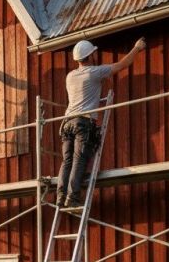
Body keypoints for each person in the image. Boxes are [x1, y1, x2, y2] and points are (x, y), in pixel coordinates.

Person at [57, 37, 146, 208]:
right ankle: (72, 197)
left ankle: (61, 196)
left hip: (67, 123)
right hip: (83, 123)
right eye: (93, 53)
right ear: (89, 56)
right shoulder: (93, 72)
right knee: (79, 159)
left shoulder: (70, 76)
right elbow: (121, 65)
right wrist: (137, 48)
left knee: (67, 160)